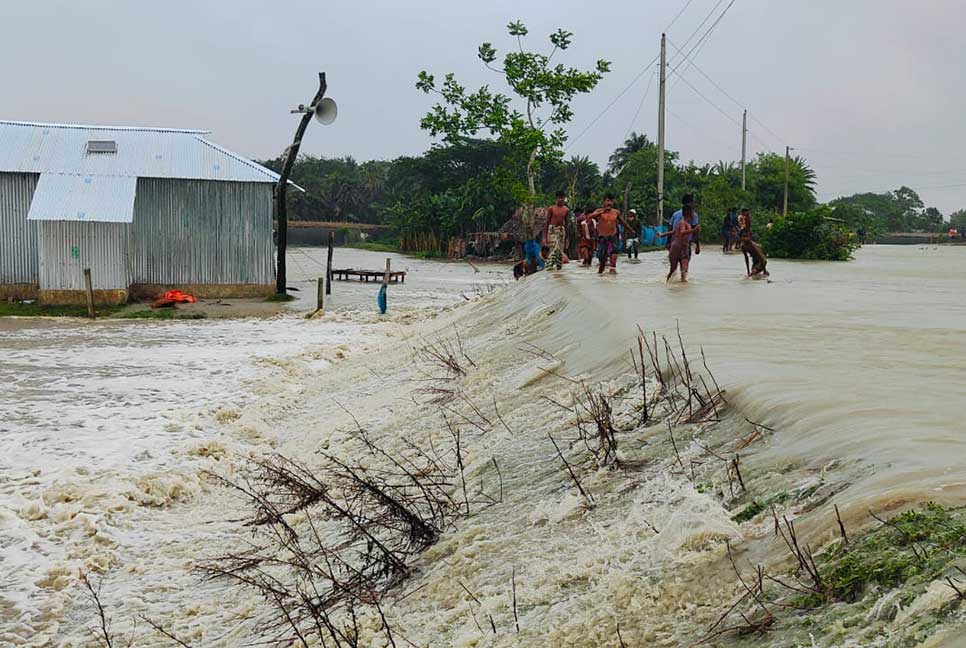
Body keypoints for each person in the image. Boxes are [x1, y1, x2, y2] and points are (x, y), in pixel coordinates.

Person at [589, 194, 636, 274]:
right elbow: (590, 216)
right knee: (602, 262)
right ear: (603, 202)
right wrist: (601, 212)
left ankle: (613, 277)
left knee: (613, 259)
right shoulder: (599, 211)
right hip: (602, 238)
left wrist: (631, 230)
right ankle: (600, 276)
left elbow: (623, 222)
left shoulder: (616, 212)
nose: (609, 203)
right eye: (607, 201)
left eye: (611, 201)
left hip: (613, 238)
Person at [657, 204, 699, 282]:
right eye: (693, 212)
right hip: (677, 247)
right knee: (673, 270)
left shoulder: (686, 223)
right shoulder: (683, 222)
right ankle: (668, 283)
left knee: (684, 269)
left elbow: (674, 231)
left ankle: (682, 288)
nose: (694, 214)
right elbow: (682, 232)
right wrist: (694, 230)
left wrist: (662, 234)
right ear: (688, 213)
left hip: (684, 248)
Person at [543, 192, 570, 270]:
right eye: (559, 198)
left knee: (559, 252)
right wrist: (544, 237)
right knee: (552, 250)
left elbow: (567, 224)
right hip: (552, 231)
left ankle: (558, 269)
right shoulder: (551, 209)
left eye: (562, 198)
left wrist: (568, 238)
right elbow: (547, 222)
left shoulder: (566, 210)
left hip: (561, 231)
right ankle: (549, 267)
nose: (561, 199)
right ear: (556, 198)